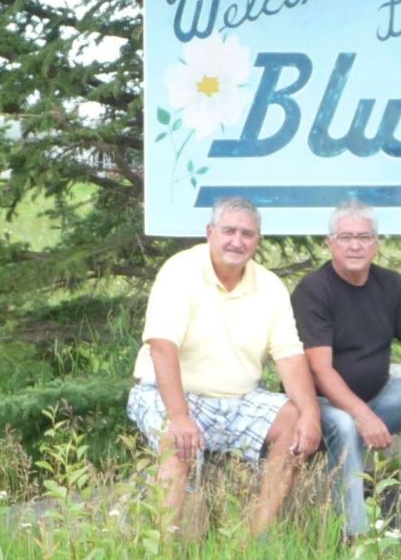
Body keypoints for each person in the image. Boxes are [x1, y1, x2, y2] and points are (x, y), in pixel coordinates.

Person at [126, 196, 321, 535]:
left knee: (292, 420)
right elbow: (162, 347)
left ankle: (251, 542)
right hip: (169, 393)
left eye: (247, 234)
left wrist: (311, 416)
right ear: (210, 232)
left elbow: (289, 357)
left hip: (237, 400)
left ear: (257, 240)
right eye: (228, 231)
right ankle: (163, 555)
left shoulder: (270, 286)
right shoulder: (180, 271)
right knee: (178, 446)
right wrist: (179, 417)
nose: (237, 241)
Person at [291, 199, 401, 536]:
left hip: (380, 394)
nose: (355, 245)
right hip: (325, 405)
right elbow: (320, 370)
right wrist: (362, 415)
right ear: (330, 243)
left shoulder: (391, 284)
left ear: (376, 243)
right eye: (345, 237)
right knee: (346, 425)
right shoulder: (313, 291)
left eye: (364, 237)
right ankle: (354, 533)